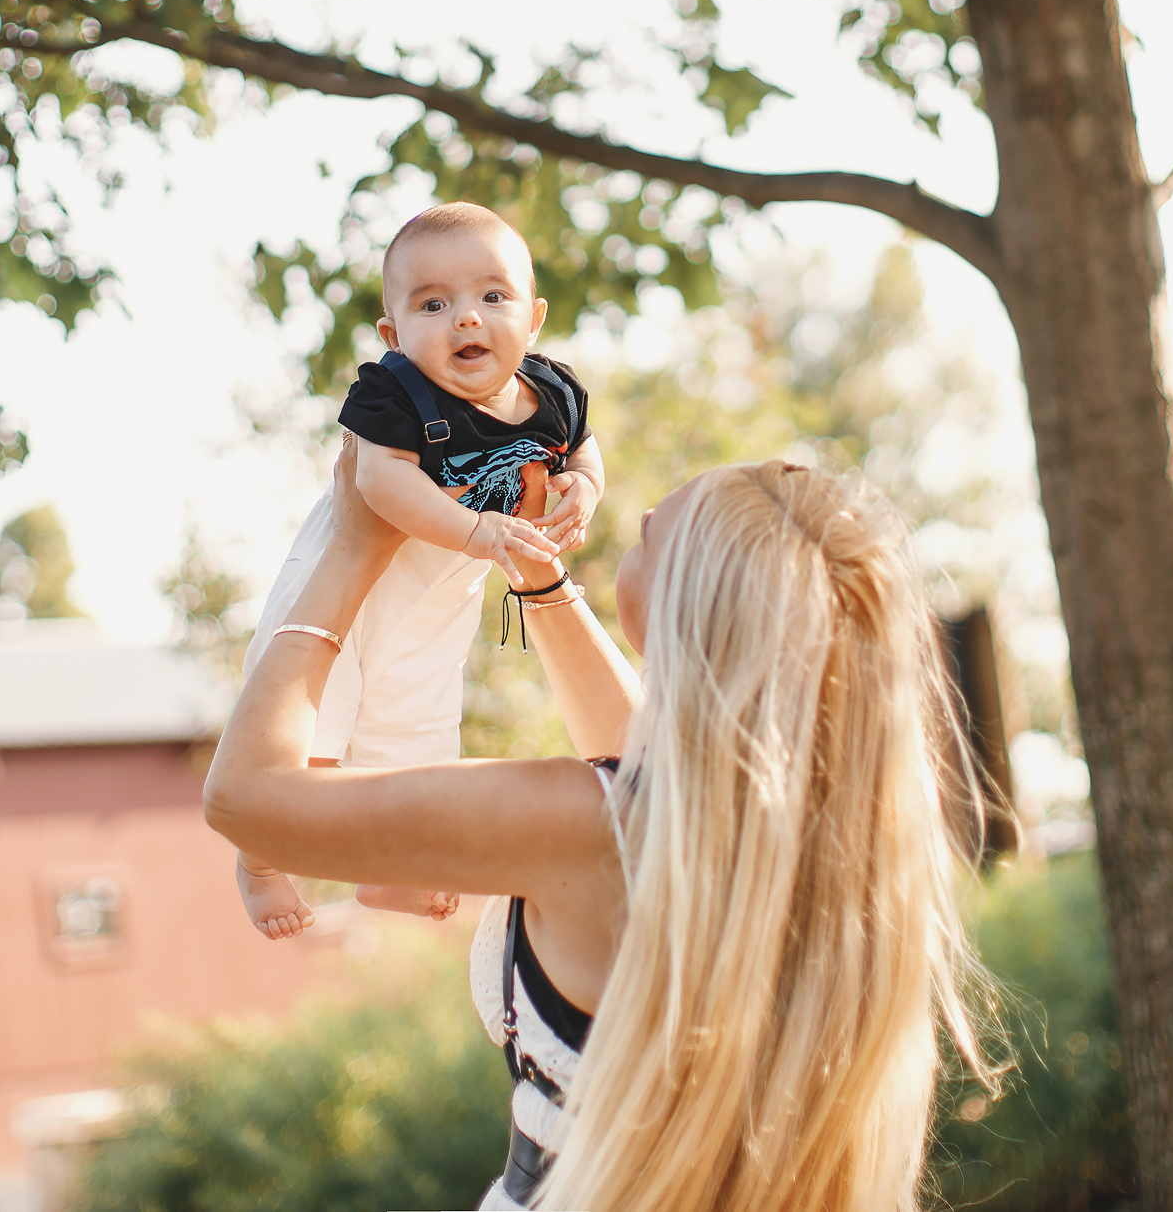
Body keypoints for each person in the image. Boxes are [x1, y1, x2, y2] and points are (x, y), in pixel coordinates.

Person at [204, 441, 993, 1212]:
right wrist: (536, 574)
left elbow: (247, 799)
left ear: (688, 607)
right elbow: (637, 750)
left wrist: (351, 548)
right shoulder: (817, 842)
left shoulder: (582, 826)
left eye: (655, 529)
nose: (639, 511)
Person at [232, 203, 607, 939]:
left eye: (491, 297)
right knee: (312, 727)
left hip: (442, 595)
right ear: (393, 333)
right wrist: (474, 529)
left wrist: (583, 490)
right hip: (351, 585)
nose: (466, 318)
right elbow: (382, 483)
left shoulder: (554, 394)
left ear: (532, 318)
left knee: (418, 725)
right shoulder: (396, 391)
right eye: (433, 304)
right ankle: (262, 857)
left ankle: (392, 868)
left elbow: (585, 454)